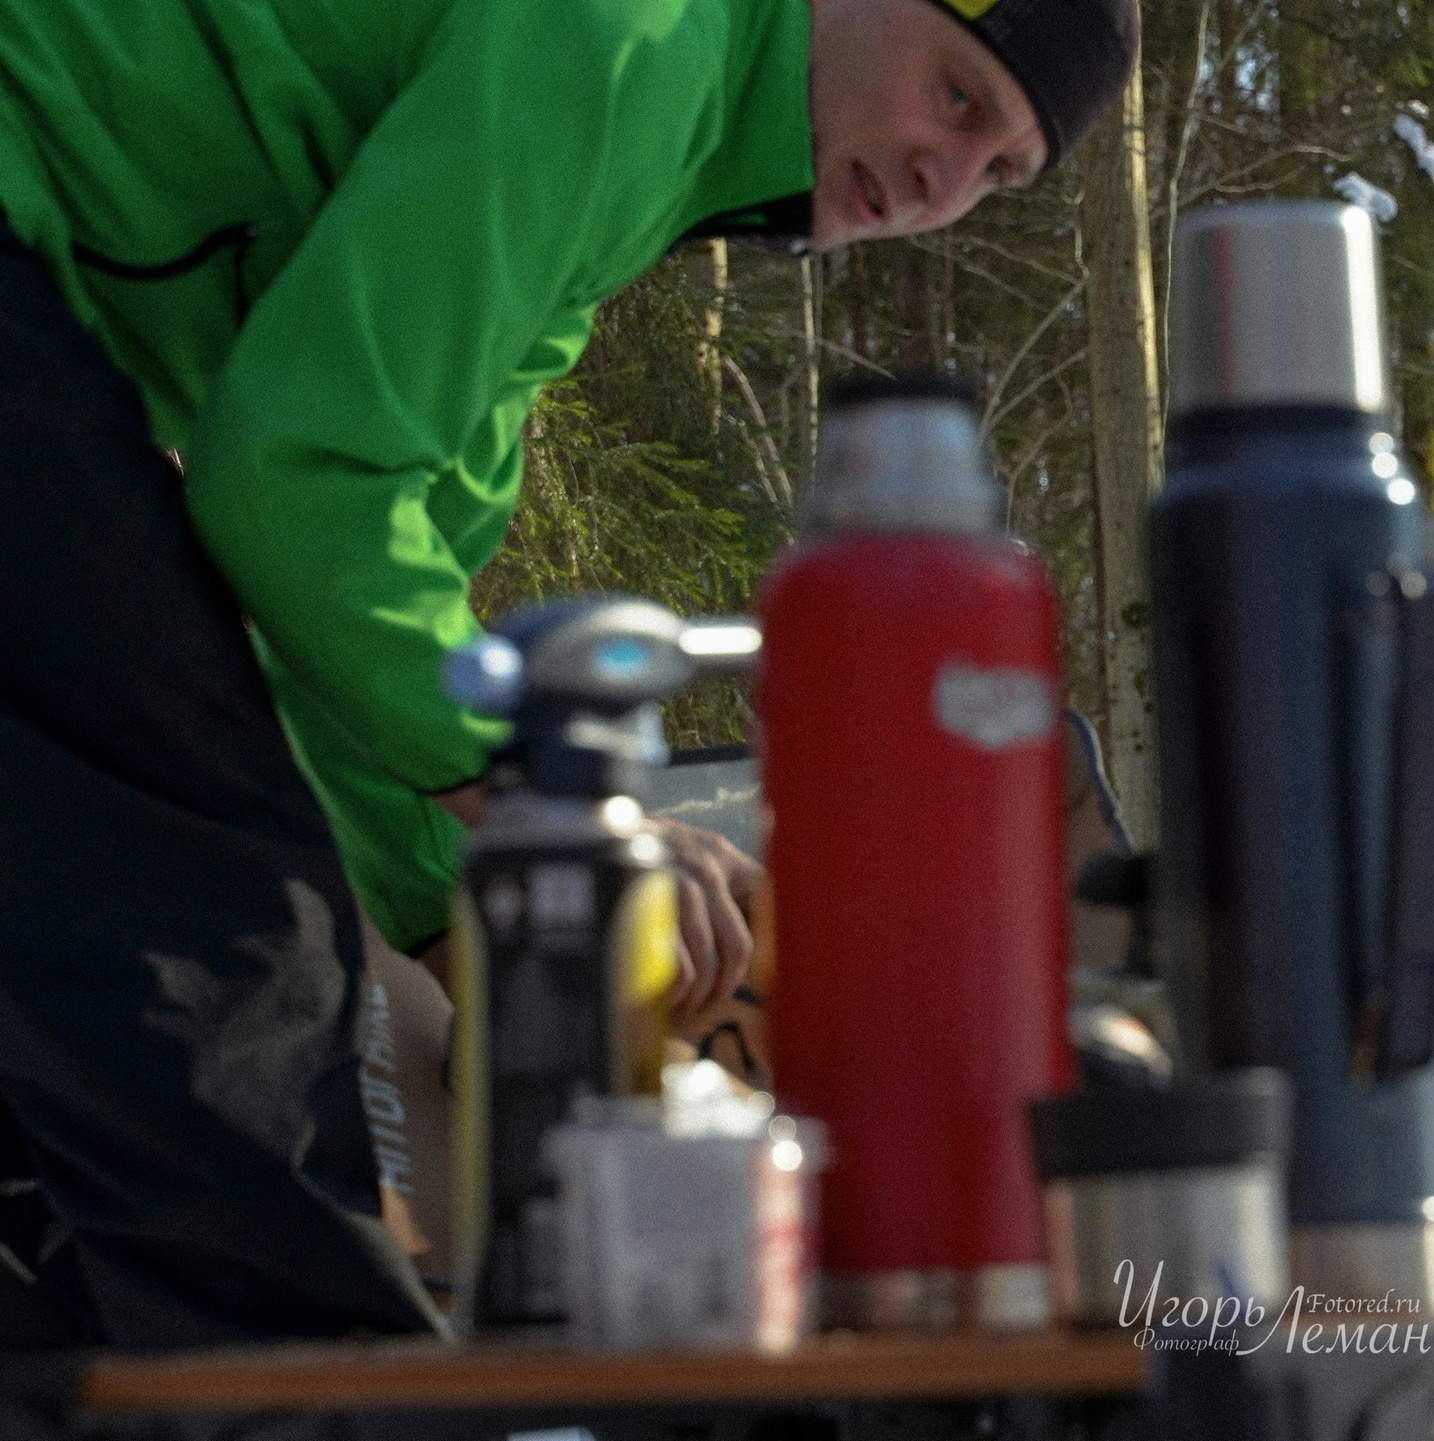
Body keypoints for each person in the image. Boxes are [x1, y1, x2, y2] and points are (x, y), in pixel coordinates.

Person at [0, 0, 1134, 1347]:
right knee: (210, 929)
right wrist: (571, 814)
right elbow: (293, 484)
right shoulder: (632, 39)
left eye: (998, 172)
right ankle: (307, 1401)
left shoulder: (631, 170)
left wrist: (464, 913)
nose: (948, 181)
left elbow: (377, 583)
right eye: (956, 96)